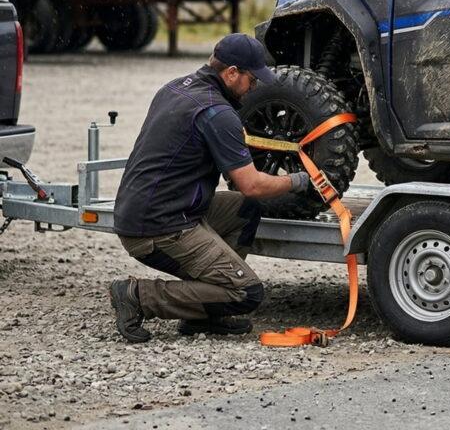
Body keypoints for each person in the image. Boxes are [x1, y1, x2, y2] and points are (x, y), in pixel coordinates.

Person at [108, 33, 309, 343]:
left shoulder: (174, 87)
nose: (254, 86)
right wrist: (298, 181)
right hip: (158, 227)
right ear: (231, 73)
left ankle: (203, 314)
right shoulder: (217, 113)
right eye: (252, 79)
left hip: (155, 207)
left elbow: (241, 189)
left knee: (244, 209)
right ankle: (139, 296)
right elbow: (251, 184)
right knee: (247, 292)